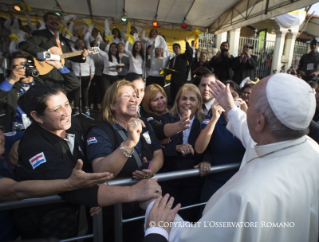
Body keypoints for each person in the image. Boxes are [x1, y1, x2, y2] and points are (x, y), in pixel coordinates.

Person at [143, 73, 319, 242]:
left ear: (259, 121)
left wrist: (155, 217)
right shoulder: (311, 150)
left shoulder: (244, 196)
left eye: (249, 105)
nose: (243, 107)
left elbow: (194, 238)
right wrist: (230, 108)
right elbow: (247, 130)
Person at [15, 83, 161, 240]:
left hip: (79, 218)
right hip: (46, 226)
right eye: (57, 109)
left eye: (66, 104)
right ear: (37, 116)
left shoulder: (73, 124)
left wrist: (100, 194)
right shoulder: (34, 148)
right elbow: (74, 186)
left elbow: (90, 160)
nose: (66, 113)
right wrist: (135, 192)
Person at [85, 80, 163, 242]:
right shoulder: (100, 131)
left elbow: (158, 154)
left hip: (143, 206)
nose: (133, 99)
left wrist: (151, 170)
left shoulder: (145, 125)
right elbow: (100, 170)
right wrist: (129, 143)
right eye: (126, 96)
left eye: (134, 96)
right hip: (114, 212)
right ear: (112, 105)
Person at [194, 80, 246, 214]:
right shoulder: (212, 118)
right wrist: (214, 119)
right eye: (224, 95)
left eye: (233, 95)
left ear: (239, 98)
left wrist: (247, 115)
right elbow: (199, 148)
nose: (229, 99)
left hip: (241, 182)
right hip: (215, 183)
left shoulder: (246, 119)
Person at [0, 50, 78, 132]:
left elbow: (73, 83)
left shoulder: (45, 85)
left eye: (24, 65)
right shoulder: (9, 88)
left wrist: (59, 66)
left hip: (43, 130)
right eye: (15, 67)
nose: (20, 69)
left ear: (32, 65)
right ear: (10, 69)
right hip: (18, 131)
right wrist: (11, 80)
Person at [159, 84, 205, 222]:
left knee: (188, 218)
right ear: (177, 100)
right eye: (183, 98)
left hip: (193, 180)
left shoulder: (204, 120)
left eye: (192, 99)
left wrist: (207, 160)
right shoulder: (166, 119)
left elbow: (212, 145)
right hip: (169, 178)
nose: (187, 102)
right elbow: (158, 147)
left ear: (198, 103)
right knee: (167, 219)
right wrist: (176, 148)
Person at [22, 12, 88, 82]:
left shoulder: (63, 39)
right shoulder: (40, 34)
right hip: (46, 75)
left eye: (56, 20)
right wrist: (45, 53)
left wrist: (83, 56)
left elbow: (69, 54)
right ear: (46, 22)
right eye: (51, 19)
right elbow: (27, 45)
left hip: (61, 76)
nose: (54, 21)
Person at [69, 38, 95, 116]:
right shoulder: (73, 53)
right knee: (76, 91)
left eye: (82, 42)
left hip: (86, 74)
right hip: (75, 74)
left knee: (85, 91)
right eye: (78, 42)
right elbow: (69, 64)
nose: (80, 43)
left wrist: (92, 73)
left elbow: (92, 64)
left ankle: (85, 107)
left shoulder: (88, 54)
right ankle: (76, 107)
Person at [169, 38, 193, 102]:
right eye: (174, 48)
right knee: (173, 97)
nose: (175, 49)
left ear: (180, 49)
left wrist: (186, 42)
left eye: (177, 47)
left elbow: (188, 51)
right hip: (173, 81)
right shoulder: (172, 59)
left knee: (180, 97)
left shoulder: (183, 57)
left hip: (180, 81)